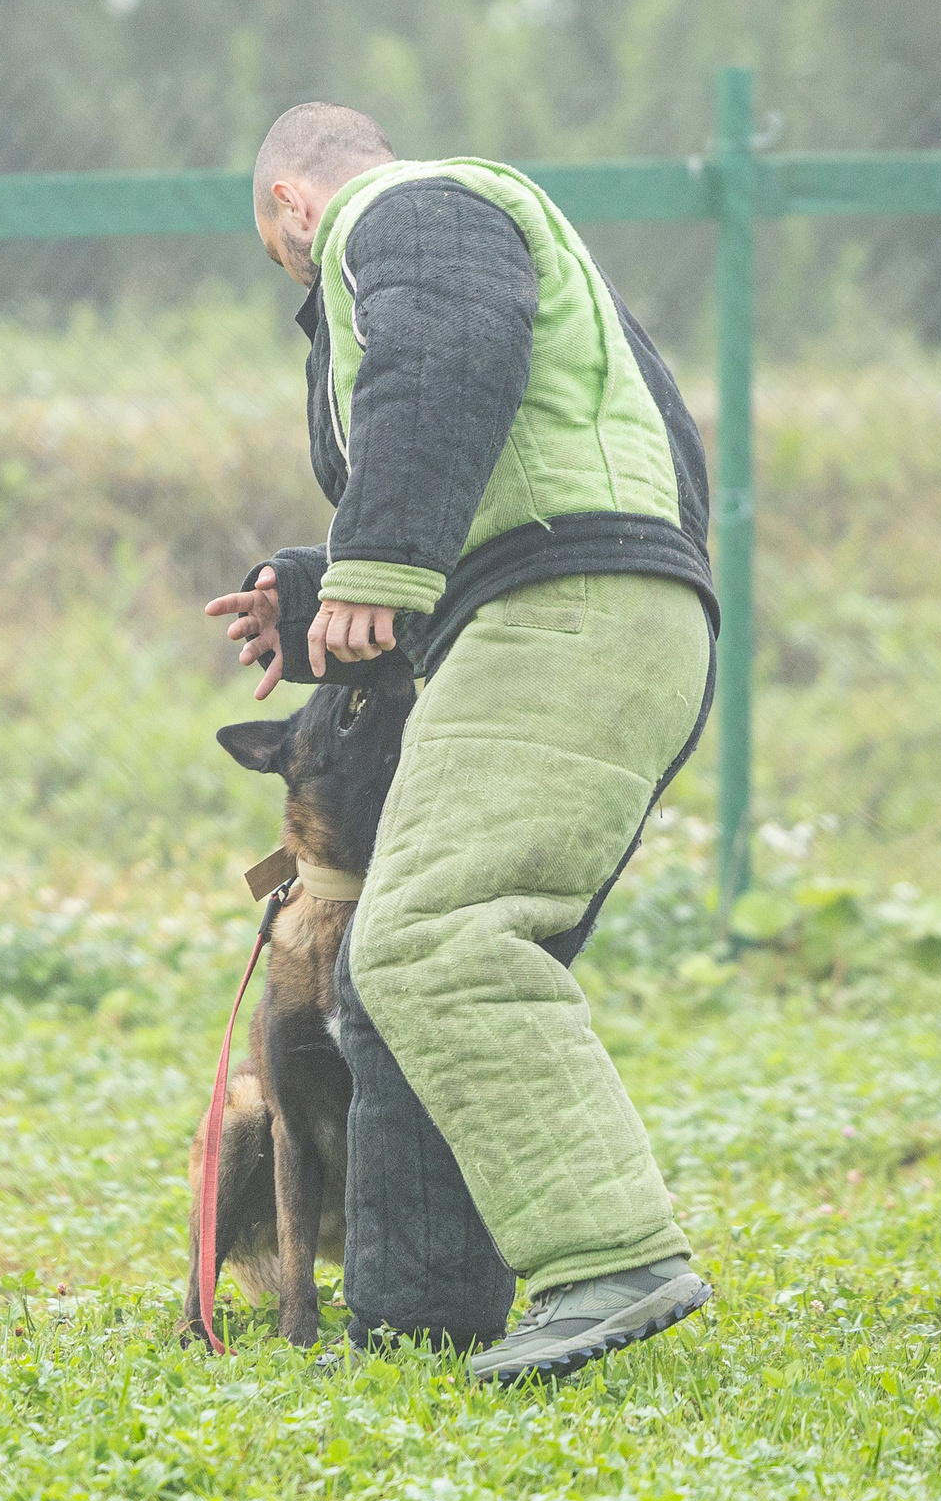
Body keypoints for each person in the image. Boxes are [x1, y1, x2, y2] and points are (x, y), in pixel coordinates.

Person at [204, 103, 720, 1382]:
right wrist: (325, 582)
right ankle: (418, 1316)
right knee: (392, 977)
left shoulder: (412, 210)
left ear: (290, 207)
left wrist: (379, 556)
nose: (302, 287)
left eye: (286, 262)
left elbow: (439, 364)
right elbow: (529, 474)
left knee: (439, 941)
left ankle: (614, 1257)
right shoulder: (475, 233)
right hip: (569, 606)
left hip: (570, 619)